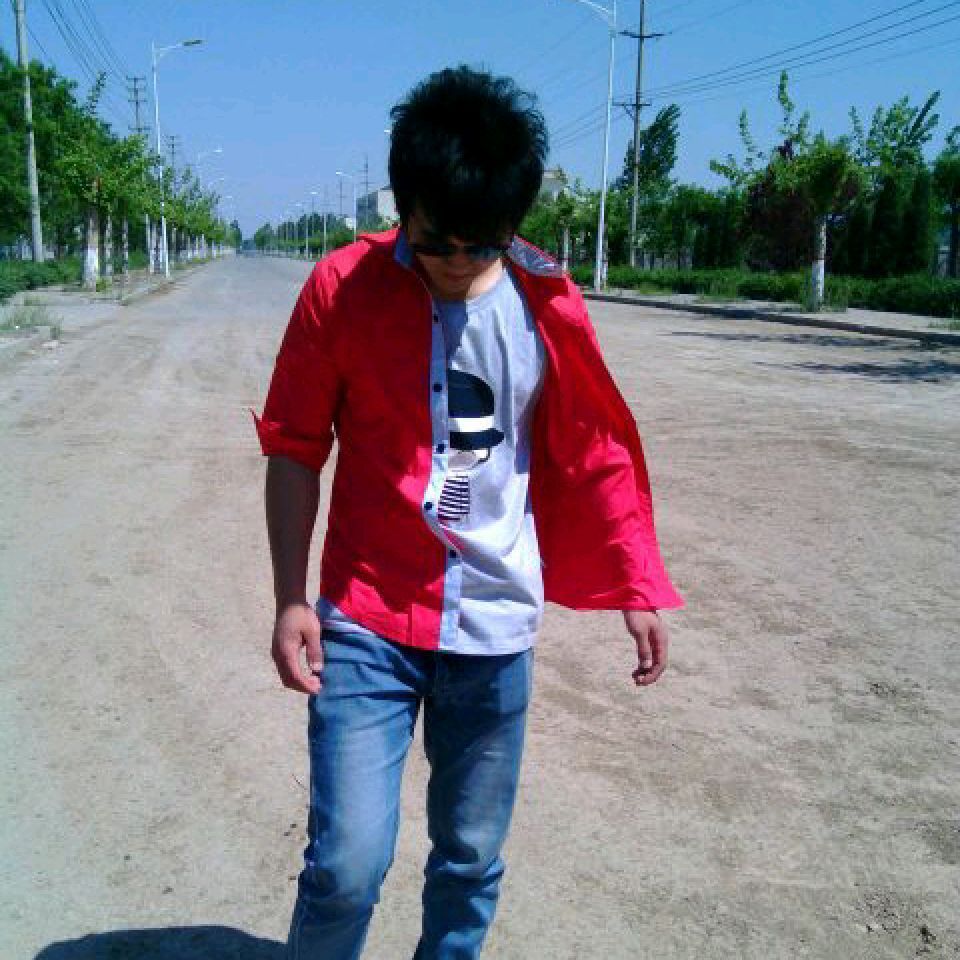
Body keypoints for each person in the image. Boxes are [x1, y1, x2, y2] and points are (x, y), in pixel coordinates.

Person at [255, 65, 683, 960]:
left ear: (512, 224)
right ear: (402, 207)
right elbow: (295, 447)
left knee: (470, 858)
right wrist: (291, 597)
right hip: (366, 621)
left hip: (493, 629)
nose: (455, 264)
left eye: (480, 245)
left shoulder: (545, 301)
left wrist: (636, 582)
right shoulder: (341, 288)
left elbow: (594, 449)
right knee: (345, 864)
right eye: (435, 242)